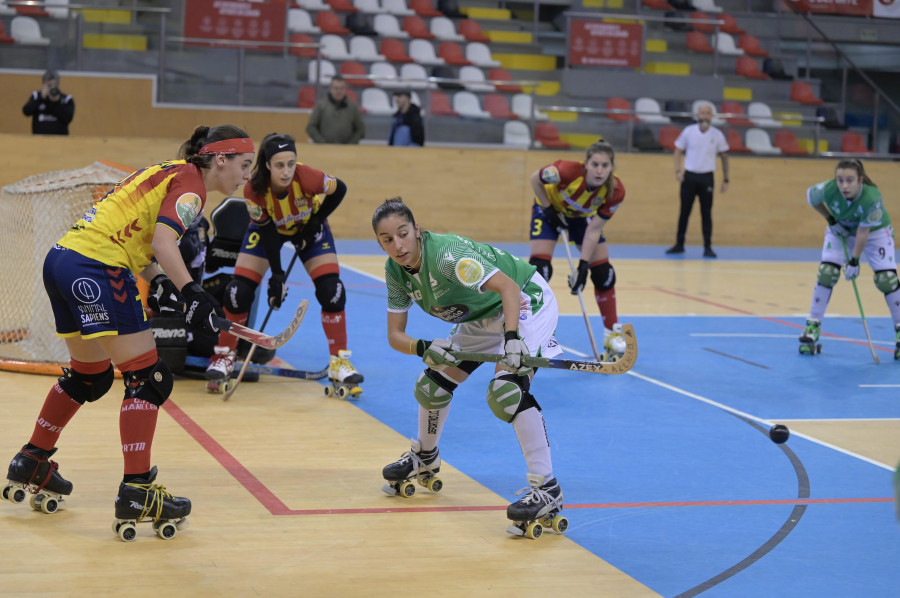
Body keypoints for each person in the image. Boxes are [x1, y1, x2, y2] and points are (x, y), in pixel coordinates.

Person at [3, 125, 254, 537]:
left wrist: (158, 281)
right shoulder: (193, 188)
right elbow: (161, 241)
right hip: (96, 267)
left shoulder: (169, 170)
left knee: (89, 376)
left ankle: (32, 460)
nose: (246, 176)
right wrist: (191, 292)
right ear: (220, 159)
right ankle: (137, 491)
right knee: (149, 379)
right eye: (244, 165)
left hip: (63, 260)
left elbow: (133, 235)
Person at [373, 198, 565, 533]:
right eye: (387, 239)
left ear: (417, 230)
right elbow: (395, 336)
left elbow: (508, 285)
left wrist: (512, 338)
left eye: (403, 234)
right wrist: (424, 347)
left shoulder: (447, 258)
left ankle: (546, 488)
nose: (398, 245)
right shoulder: (395, 273)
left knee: (506, 393)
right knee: (431, 386)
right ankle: (425, 458)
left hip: (524, 302)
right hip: (481, 315)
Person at [205, 132, 364, 394]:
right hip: (269, 231)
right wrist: (277, 277)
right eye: (280, 165)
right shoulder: (253, 189)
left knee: (332, 291)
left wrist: (316, 220)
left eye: (291, 163)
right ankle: (224, 356)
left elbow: (341, 189)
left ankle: (340, 362)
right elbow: (268, 232)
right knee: (238, 293)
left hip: (308, 228)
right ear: (267, 165)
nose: (287, 171)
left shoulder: (309, 177)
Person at [527, 139, 628, 358]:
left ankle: (612, 334)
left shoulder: (615, 191)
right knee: (540, 270)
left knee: (604, 274)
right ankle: (528, 334)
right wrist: (549, 210)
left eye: (605, 166)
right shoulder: (564, 171)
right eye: (595, 164)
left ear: (612, 168)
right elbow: (535, 179)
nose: (599, 170)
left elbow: (594, 230)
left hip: (582, 219)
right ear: (586, 164)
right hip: (548, 211)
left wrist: (583, 266)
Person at [798, 158, 900, 359]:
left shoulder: (872, 198)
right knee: (827, 273)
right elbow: (811, 197)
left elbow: (863, 231)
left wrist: (854, 261)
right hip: (841, 227)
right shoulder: (828, 189)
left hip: (875, 232)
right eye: (840, 180)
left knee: (886, 279)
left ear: (860, 180)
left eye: (850, 180)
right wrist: (831, 219)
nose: (844, 185)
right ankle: (812, 327)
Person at [665, 102, 729, 258]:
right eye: (702, 113)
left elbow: (724, 156)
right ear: (697, 115)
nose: (705, 116)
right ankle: (679, 244)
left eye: (708, 113)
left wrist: (726, 179)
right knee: (684, 212)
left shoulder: (717, 134)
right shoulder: (689, 131)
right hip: (690, 176)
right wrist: (678, 171)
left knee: (706, 213)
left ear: (712, 116)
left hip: (707, 177)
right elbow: (677, 151)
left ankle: (708, 247)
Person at [305, 76, 366, 145]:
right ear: (331, 89)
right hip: (324, 150)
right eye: (336, 88)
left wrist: (351, 144)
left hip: (348, 151)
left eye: (341, 88)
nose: (339, 91)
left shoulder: (353, 106)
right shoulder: (320, 105)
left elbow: (361, 130)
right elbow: (311, 127)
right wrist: (322, 143)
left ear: (345, 89)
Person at [22, 69, 75, 135]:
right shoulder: (36, 96)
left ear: (58, 85)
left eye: (54, 85)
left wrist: (56, 102)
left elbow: (68, 118)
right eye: (49, 85)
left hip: (60, 141)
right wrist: (41, 98)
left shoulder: (66, 99)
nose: (51, 88)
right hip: (39, 140)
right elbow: (26, 111)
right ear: (44, 84)